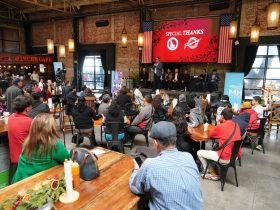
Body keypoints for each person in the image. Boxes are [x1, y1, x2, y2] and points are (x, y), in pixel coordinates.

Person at [129, 121, 203, 210]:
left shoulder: (150, 164)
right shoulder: (189, 157)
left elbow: (135, 188)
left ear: (156, 143)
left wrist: (136, 170)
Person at [12, 113, 70, 183]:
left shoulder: (27, 142)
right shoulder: (54, 143)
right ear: (51, 127)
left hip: (19, 180)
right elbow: (67, 159)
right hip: (35, 185)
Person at [197, 108, 241, 180]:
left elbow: (211, 135)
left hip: (224, 157)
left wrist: (220, 123)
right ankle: (215, 168)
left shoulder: (221, 126)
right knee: (215, 147)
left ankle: (211, 173)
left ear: (222, 116)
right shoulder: (236, 125)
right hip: (235, 156)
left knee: (199, 152)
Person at [8, 95, 33, 182]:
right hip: (24, 161)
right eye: (30, 105)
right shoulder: (29, 121)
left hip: (13, 159)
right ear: (27, 108)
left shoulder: (11, 117)